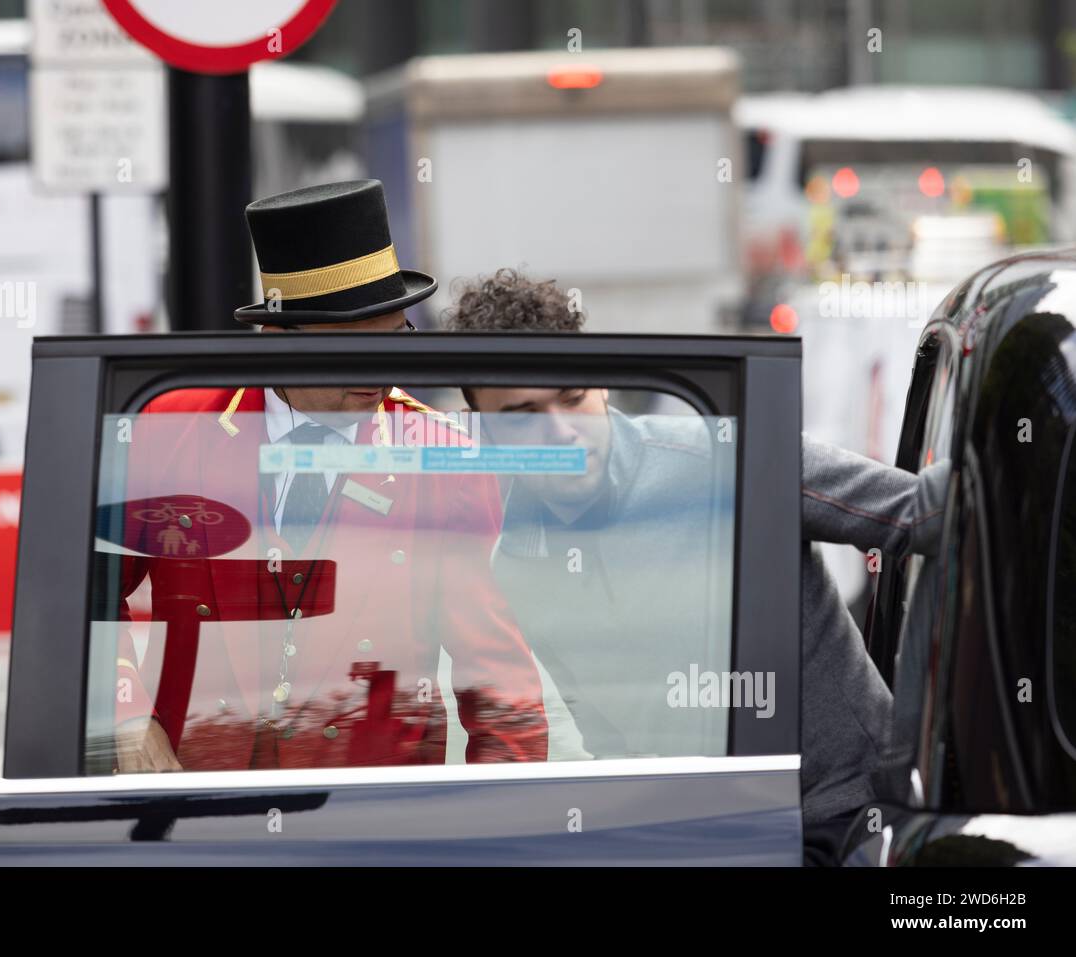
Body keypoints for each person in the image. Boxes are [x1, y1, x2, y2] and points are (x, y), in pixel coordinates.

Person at [444, 268, 946, 857]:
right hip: (707, 832)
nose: (561, 432)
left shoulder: (725, 460)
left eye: (574, 396)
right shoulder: (517, 565)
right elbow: (608, 731)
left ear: (603, 387)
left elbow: (922, 514)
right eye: (524, 414)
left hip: (850, 812)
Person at [111, 182, 548, 773]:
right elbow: (87, 590)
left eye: (397, 342)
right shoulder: (176, 425)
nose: (383, 373)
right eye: (351, 348)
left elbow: (499, 688)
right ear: (276, 340)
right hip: (198, 810)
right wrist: (128, 715)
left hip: (368, 827)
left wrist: (497, 832)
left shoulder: (441, 458)